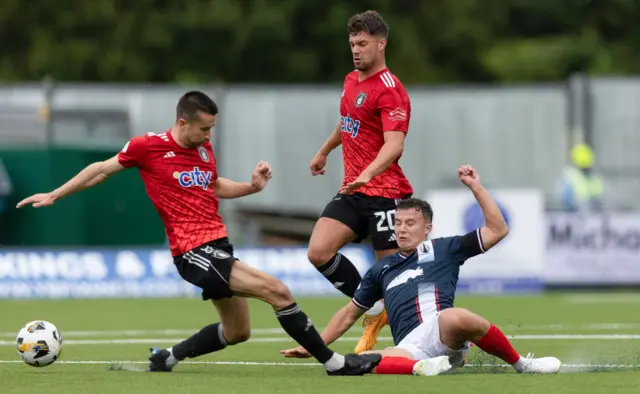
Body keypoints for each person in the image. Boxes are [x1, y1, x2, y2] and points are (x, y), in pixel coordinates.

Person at [16, 91, 381, 376]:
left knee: (238, 332)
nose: (209, 136)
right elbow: (101, 169)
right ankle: (335, 364)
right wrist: (55, 194)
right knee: (278, 291)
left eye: (211, 129)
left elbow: (214, 185)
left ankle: (168, 358)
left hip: (218, 246)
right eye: (204, 128)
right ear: (183, 122)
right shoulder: (147, 146)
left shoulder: (203, 149)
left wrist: (252, 188)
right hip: (193, 251)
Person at [282, 165, 562, 376]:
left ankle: (521, 363)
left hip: (441, 329)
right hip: (409, 345)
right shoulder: (380, 269)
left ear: (427, 228)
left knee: (456, 317)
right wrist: (314, 345)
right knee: (361, 360)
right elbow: (348, 314)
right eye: (398, 223)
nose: (402, 229)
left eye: (410, 223)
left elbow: (498, 230)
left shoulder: (444, 249)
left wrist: (475, 187)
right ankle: (421, 366)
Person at [307, 9, 412, 355]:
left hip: (385, 194)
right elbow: (348, 121)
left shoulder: (391, 90)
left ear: (381, 44)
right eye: (352, 43)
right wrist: (324, 150)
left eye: (362, 43)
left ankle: (428, 341)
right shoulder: (352, 80)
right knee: (318, 251)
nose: (355, 49)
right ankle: (373, 302)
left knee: (395, 278)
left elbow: (394, 144)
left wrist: (369, 171)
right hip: (353, 191)